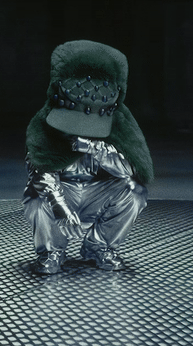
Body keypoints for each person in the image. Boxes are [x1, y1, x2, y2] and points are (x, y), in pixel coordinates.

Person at [23, 39, 154, 275]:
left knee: (135, 191)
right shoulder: (44, 123)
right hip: (64, 190)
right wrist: (60, 206)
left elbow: (130, 170)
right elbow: (40, 172)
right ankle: (51, 250)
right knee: (36, 194)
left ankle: (99, 245)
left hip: (99, 193)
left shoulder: (121, 124)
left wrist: (96, 148)